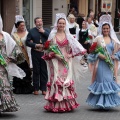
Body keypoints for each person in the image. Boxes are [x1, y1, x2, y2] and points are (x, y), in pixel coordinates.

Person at [43, 13, 86, 112]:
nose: (61, 25)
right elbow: (47, 51)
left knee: (65, 81)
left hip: (66, 62)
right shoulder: (52, 35)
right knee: (56, 81)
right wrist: (55, 55)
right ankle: (56, 104)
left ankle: (66, 103)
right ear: (56, 24)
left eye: (63, 23)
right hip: (55, 62)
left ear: (65, 25)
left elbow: (76, 48)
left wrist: (70, 55)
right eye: (60, 23)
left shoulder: (68, 36)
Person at [86, 14, 120, 109]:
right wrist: (98, 55)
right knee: (101, 82)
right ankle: (101, 103)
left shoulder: (113, 40)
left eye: (107, 28)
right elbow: (92, 52)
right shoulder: (98, 39)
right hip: (100, 64)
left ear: (110, 29)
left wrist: (115, 56)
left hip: (110, 65)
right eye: (104, 28)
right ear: (101, 28)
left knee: (109, 82)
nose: (105, 30)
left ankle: (108, 103)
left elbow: (118, 51)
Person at [0, 15, 26, 112]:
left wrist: (10, 58)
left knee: (3, 84)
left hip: (3, 66)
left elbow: (15, 48)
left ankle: (4, 105)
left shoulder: (5, 35)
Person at [26, 17, 50, 95]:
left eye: (40, 21)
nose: (39, 23)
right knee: (36, 70)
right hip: (35, 52)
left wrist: (43, 32)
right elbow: (27, 42)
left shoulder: (46, 30)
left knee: (44, 71)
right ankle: (36, 88)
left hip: (44, 53)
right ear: (35, 23)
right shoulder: (31, 31)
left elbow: (51, 38)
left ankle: (44, 88)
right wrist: (35, 45)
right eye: (37, 22)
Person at [11, 15, 33, 94]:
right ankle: (18, 88)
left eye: (24, 25)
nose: (23, 27)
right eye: (21, 25)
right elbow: (12, 45)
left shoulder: (27, 33)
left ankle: (27, 88)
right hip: (18, 56)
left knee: (26, 71)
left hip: (26, 55)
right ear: (17, 26)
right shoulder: (14, 35)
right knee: (18, 71)